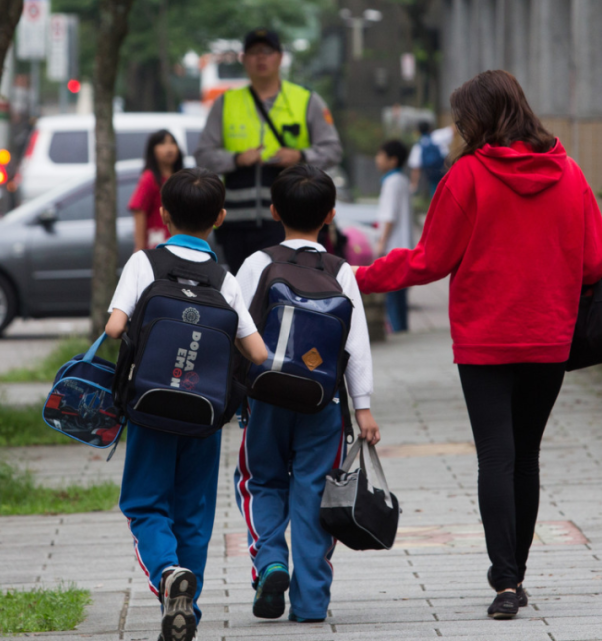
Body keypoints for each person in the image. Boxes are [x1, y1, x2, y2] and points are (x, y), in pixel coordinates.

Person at [353, 70, 602, 620]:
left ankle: (506, 582)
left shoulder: (467, 177)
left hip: (485, 340)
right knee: (527, 456)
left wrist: (357, 277)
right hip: (549, 335)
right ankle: (516, 573)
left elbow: (429, 261)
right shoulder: (569, 173)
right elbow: (596, 261)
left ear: (477, 119)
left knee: (496, 455)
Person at [105, 168, 268, 641]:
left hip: (150, 408)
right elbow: (256, 353)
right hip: (205, 416)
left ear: (162, 214)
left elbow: (115, 329)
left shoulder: (143, 263)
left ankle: (166, 573)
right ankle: (187, 608)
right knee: (193, 513)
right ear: (220, 217)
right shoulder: (224, 279)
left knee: (144, 503)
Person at [234, 165, 380, 624]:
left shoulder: (257, 263)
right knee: (317, 493)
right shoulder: (341, 272)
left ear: (273, 211)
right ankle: (312, 601)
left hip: (266, 400)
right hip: (324, 405)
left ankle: (271, 560)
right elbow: (356, 347)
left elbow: (235, 330)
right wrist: (364, 408)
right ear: (331, 215)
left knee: (261, 482)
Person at [195, 28, 343, 273]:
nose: (260, 58)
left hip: (292, 220)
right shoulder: (225, 102)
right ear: (243, 59)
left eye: (267, 51)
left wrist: (300, 156)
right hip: (236, 225)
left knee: (286, 287)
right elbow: (203, 155)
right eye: (253, 52)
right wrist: (236, 159)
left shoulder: (306, 100)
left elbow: (333, 150)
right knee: (244, 295)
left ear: (280, 57)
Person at [374, 139, 412, 333]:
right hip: (405, 245)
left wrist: (381, 243)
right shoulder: (403, 180)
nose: (377, 159)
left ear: (393, 160)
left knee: (392, 292)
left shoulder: (391, 182)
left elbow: (389, 216)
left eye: (381, 156)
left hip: (392, 246)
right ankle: (402, 328)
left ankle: (397, 330)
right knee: (401, 294)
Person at [129, 129, 184, 251]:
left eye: (172, 143)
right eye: (162, 143)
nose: (169, 148)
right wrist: (139, 248)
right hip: (158, 244)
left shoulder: (182, 178)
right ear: (152, 150)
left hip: (180, 244)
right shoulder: (149, 178)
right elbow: (139, 211)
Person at [408, 120, 454, 195]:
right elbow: (453, 130)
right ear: (430, 129)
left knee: (435, 195)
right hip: (446, 171)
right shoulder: (438, 135)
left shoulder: (418, 145)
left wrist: (414, 184)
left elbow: (415, 168)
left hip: (431, 176)